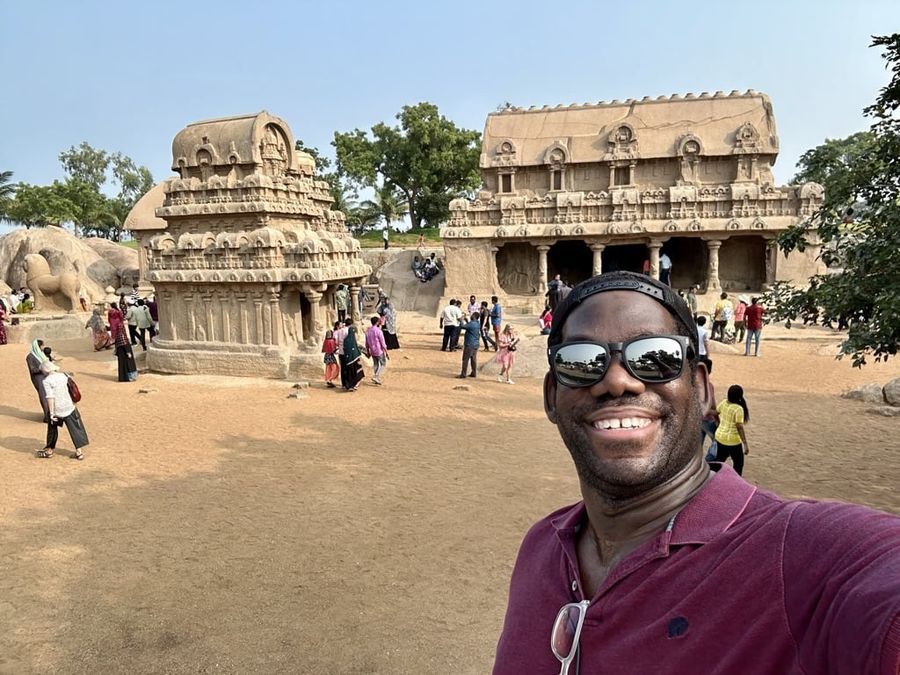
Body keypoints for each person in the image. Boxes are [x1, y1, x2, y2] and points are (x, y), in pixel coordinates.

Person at [493, 271, 900, 675]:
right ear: (551, 397)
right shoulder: (543, 546)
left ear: (703, 390)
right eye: (581, 363)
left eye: (656, 357)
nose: (617, 381)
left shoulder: (801, 558)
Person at [36, 361, 89, 461]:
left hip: (57, 409)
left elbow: (50, 397)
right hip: (69, 406)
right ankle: (79, 452)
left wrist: (51, 413)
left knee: (52, 430)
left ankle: (49, 449)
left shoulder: (47, 381)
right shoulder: (64, 375)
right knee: (75, 429)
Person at [713, 384, 750, 476]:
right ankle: (736, 482)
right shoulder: (738, 409)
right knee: (738, 463)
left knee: (720, 459)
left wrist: (719, 423)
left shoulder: (724, 403)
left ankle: (713, 477)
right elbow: (739, 427)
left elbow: (715, 412)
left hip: (720, 436)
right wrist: (745, 444)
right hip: (732, 440)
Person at [26, 339, 51, 422]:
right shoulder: (30, 357)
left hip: (46, 376)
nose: (43, 347)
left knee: (50, 395)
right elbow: (33, 370)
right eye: (42, 345)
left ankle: (51, 413)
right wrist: (42, 368)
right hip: (38, 378)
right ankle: (47, 415)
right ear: (38, 346)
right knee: (43, 396)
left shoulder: (41, 354)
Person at [365, 316, 389, 385]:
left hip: (372, 351)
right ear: (377, 322)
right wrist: (386, 352)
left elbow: (366, 343)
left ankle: (376, 378)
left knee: (376, 364)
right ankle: (376, 376)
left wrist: (368, 351)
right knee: (383, 364)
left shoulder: (368, 331)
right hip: (379, 350)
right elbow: (383, 343)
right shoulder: (378, 331)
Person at [457, 312, 481, 379]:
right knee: (473, 359)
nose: (471, 316)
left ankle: (463, 374)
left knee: (465, 359)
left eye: (472, 315)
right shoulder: (477, 323)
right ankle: (474, 372)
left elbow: (462, 326)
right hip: (475, 344)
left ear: (474, 316)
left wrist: (461, 320)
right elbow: (468, 325)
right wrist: (466, 320)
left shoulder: (472, 324)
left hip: (469, 344)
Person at [342, 324, 365, 391]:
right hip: (354, 360)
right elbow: (355, 350)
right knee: (358, 373)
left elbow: (345, 348)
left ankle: (349, 385)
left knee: (349, 373)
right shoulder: (353, 341)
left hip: (347, 359)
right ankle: (354, 385)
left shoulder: (345, 340)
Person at [333, 319, 349, 389]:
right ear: (337, 326)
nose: (342, 325)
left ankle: (344, 384)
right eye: (340, 324)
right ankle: (346, 383)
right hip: (343, 351)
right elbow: (335, 341)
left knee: (343, 368)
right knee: (345, 367)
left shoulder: (338, 332)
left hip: (340, 351)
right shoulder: (337, 332)